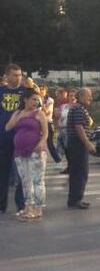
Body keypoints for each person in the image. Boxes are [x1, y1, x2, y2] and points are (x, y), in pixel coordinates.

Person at [5, 89, 48, 220]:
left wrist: (41, 143)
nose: (36, 102)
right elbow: (8, 127)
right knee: (25, 181)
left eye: (37, 99)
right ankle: (28, 207)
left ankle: (38, 209)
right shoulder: (18, 113)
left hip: (36, 151)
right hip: (20, 152)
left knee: (37, 180)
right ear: (25, 100)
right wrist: (20, 117)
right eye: (33, 99)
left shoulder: (39, 113)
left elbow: (46, 132)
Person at [0, 63, 30, 214]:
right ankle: (1, 205)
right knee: (3, 172)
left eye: (20, 75)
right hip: (3, 137)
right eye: (15, 75)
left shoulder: (26, 93)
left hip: (21, 137)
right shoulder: (1, 91)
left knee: (22, 172)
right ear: (7, 76)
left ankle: (21, 205)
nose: (18, 78)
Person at [65, 88, 97, 209]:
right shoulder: (78, 109)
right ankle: (75, 199)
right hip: (78, 144)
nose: (91, 98)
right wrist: (88, 143)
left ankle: (74, 199)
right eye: (89, 96)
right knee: (81, 172)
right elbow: (79, 128)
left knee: (76, 172)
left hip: (75, 144)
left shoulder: (78, 108)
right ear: (82, 97)